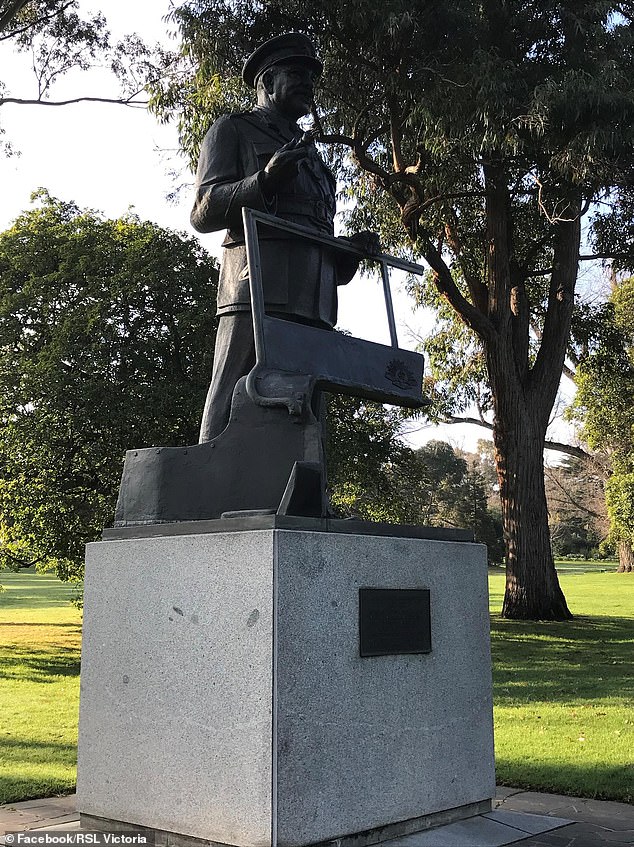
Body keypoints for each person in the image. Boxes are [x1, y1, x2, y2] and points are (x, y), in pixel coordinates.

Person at [191, 33, 377, 442]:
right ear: (267, 81)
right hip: (256, 289)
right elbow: (203, 210)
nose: (309, 83)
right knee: (231, 389)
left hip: (313, 303)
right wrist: (266, 179)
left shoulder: (312, 157)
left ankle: (298, 492)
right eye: (297, 73)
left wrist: (349, 252)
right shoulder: (232, 130)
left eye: (312, 76)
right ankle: (206, 488)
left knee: (305, 411)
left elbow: (312, 233)